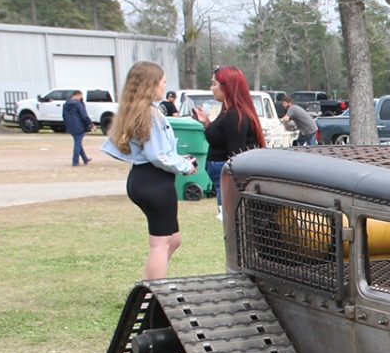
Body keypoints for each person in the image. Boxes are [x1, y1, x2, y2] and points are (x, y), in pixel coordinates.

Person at [103, 61, 197, 279]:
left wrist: (179, 159)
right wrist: (185, 166)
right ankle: (153, 296)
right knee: (160, 243)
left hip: (144, 180)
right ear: (151, 85)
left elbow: (154, 151)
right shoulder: (150, 115)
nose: (165, 87)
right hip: (154, 183)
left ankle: (146, 287)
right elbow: (157, 156)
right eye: (163, 82)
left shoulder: (137, 111)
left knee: (173, 239)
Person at [197, 66, 266, 218]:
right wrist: (207, 123)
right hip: (223, 178)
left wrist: (231, 184)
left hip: (228, 179)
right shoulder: (228, 112)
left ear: (226, 86)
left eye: (214, 84)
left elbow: (236, 156)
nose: (211, 88)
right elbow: (221, 138)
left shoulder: (235, 116)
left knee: (231, 222)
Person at [64, 89, 93, 166]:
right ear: (78, 95)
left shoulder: (66, 104)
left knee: (78, 143)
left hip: (71, 126)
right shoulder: (78, 104)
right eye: (81, 96)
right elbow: (84, 116)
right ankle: (75, 161)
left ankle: (85, 159)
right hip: (79, 126)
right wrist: (90, 124)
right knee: (77, 143)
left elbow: (64, 116)